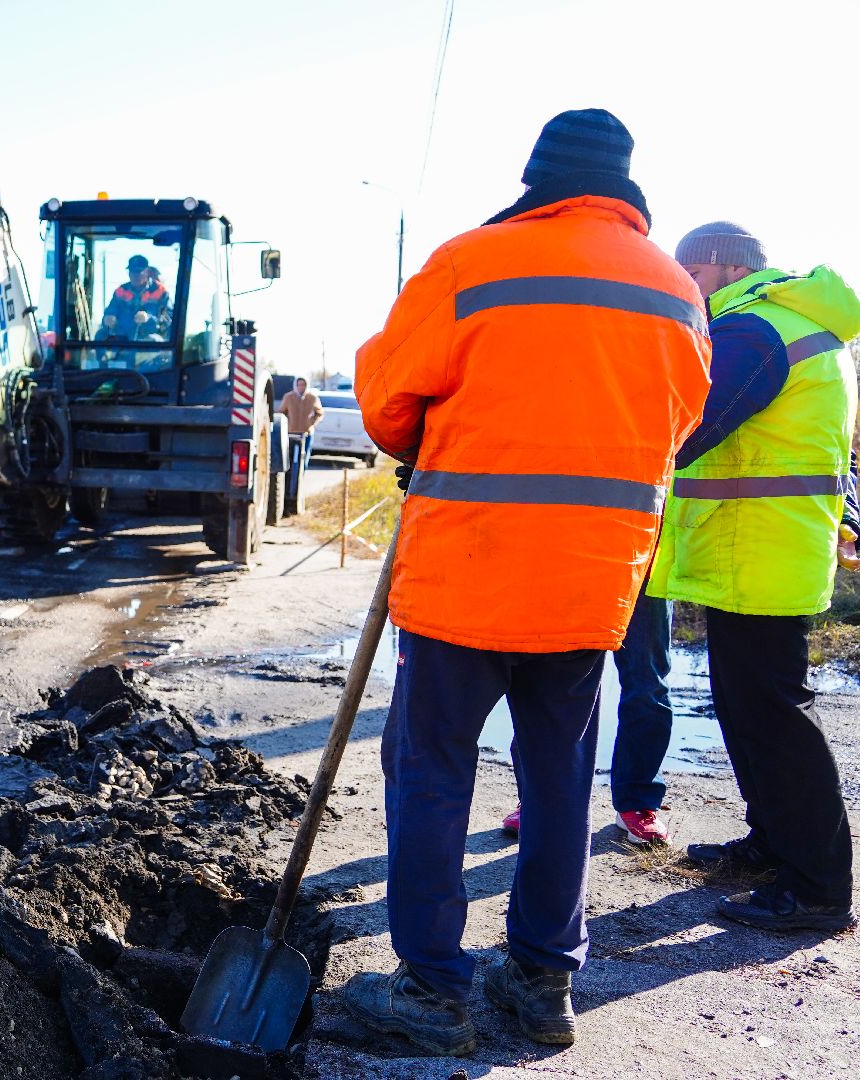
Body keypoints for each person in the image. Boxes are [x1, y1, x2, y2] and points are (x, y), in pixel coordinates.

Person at [340, 108, 711, 1056]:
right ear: (625, 185)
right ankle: (544, 981)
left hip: (468, 570)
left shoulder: (473, 262)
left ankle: (433, 987)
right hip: (591, 584)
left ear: (536, 175)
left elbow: (387, 408)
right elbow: (680, 427)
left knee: (431, 773)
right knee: (560, 774)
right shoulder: (675, 290)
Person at [648, 221, 860, 933]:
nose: (684, 290)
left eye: (688, 275)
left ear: (719, 267)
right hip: (761, 550)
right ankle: (773, 845)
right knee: (749, 710)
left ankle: (818, 887)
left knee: (772, 717)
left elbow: (690, 425)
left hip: (759, 552)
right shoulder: (790, 324)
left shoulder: (753, 329)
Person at [499, 579, 677, 845]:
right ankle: (536, 799)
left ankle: (638, 802)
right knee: (548, 679)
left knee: (648, 684)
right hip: (578, 556)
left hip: (644, 560)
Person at [100, 255, 171, 340]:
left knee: (153, 340)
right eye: (131, 272)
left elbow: (168, 319)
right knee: (100, 335)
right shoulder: (121, 291)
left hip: (148, 336)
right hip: (122, 336)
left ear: (147, 272)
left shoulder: (160, 291)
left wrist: (148, 318)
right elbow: (110, 311)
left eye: (138, 272)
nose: (134, 275)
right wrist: (107, 319)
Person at [278, 376, 324, 463]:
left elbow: (320, 413)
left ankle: (301, 474)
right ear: (296, 385)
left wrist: (311, 423)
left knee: (304, 458)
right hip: (291, 432)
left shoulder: (312, 397)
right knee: (290, 458)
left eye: (303, 385)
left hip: (306, 432)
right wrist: (287, 423)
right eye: (299, 385)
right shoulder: (288, 397)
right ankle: (291, 476)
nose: (301, 387)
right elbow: (281, 412)